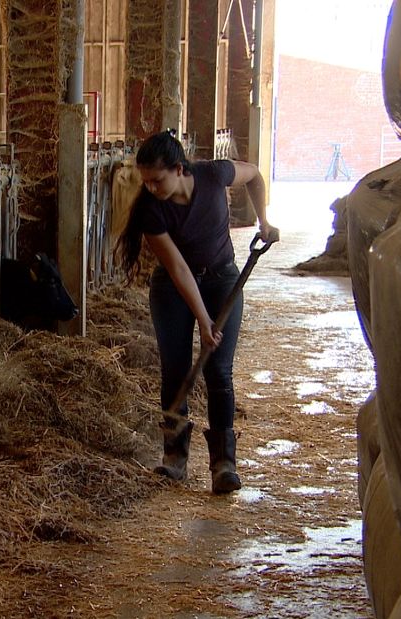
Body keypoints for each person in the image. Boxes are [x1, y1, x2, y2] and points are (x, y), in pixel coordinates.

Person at [114, 131, 279, 494]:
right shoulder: (150, 210)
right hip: (174, 289)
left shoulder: (214, 174)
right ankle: (174, 456)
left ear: (179, 168)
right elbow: (178, 269)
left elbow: (253, 174)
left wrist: (263, 220)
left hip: (222, 280)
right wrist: (204, 320)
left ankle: (223, 463)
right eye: (147, 181)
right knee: (175, 369)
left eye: (158, 180)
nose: (152, 188)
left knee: (219, 368)